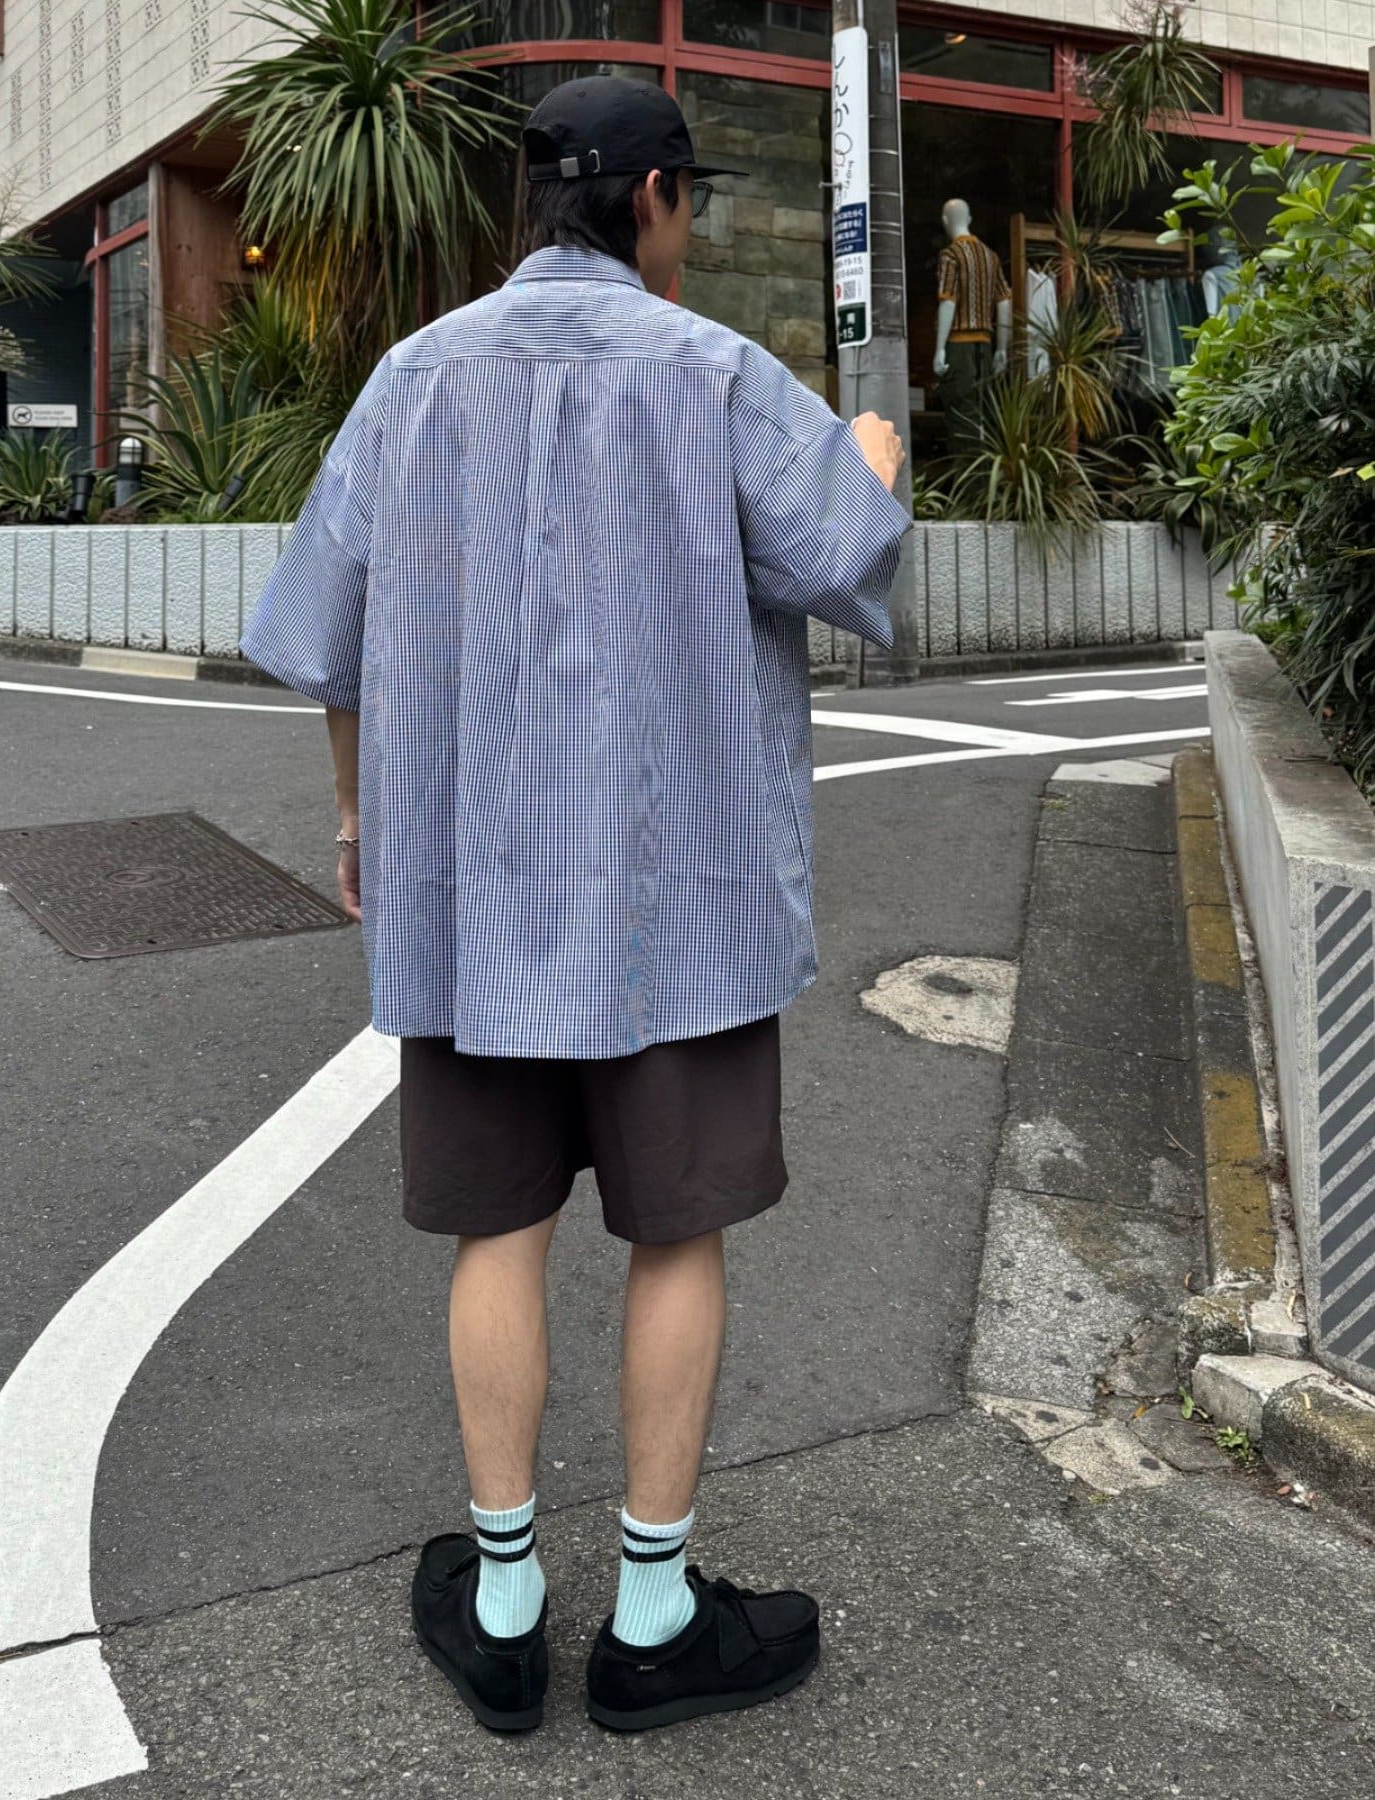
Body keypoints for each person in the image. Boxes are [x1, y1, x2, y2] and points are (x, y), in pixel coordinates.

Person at [241, 74, 907, 1735]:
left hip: (473, 901)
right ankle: (657, 1616)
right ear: (657, 199)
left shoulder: (413, 378)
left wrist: (355, 821)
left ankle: (506, 1598)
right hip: (681, 897)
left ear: (535, 201)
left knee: (501, 1228)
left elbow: (331, 636)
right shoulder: (716, 373)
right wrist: (874, 453)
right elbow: (846, 549)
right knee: (677, 1231)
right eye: (692, 201)